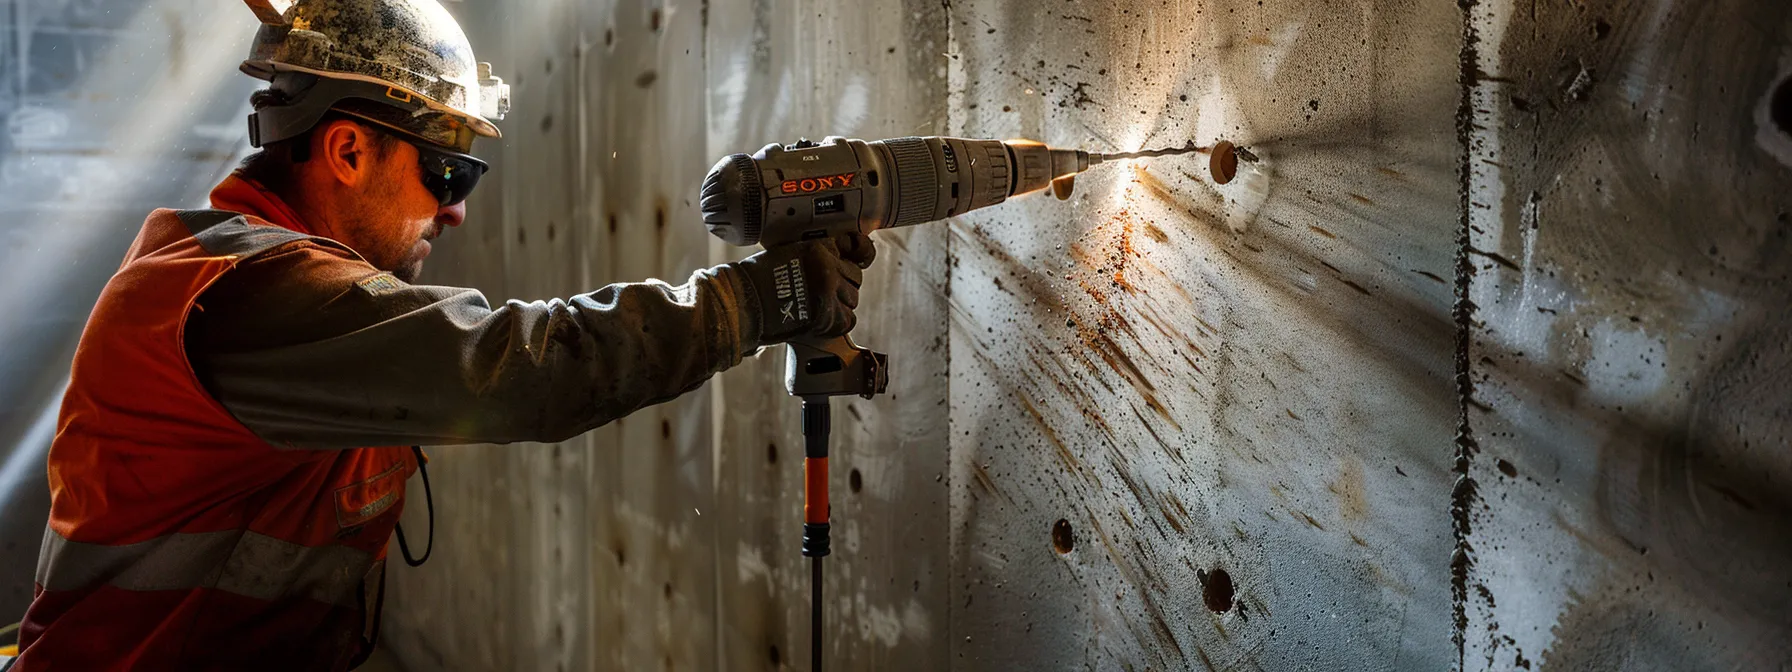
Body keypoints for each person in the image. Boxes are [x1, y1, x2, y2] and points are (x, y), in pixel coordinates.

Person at [7, 1, 873, 669]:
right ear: (346, 150)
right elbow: (517, 368)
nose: (454, 208)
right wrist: (756, 300)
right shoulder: (245, 296)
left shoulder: (248, 278)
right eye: (445, 169)